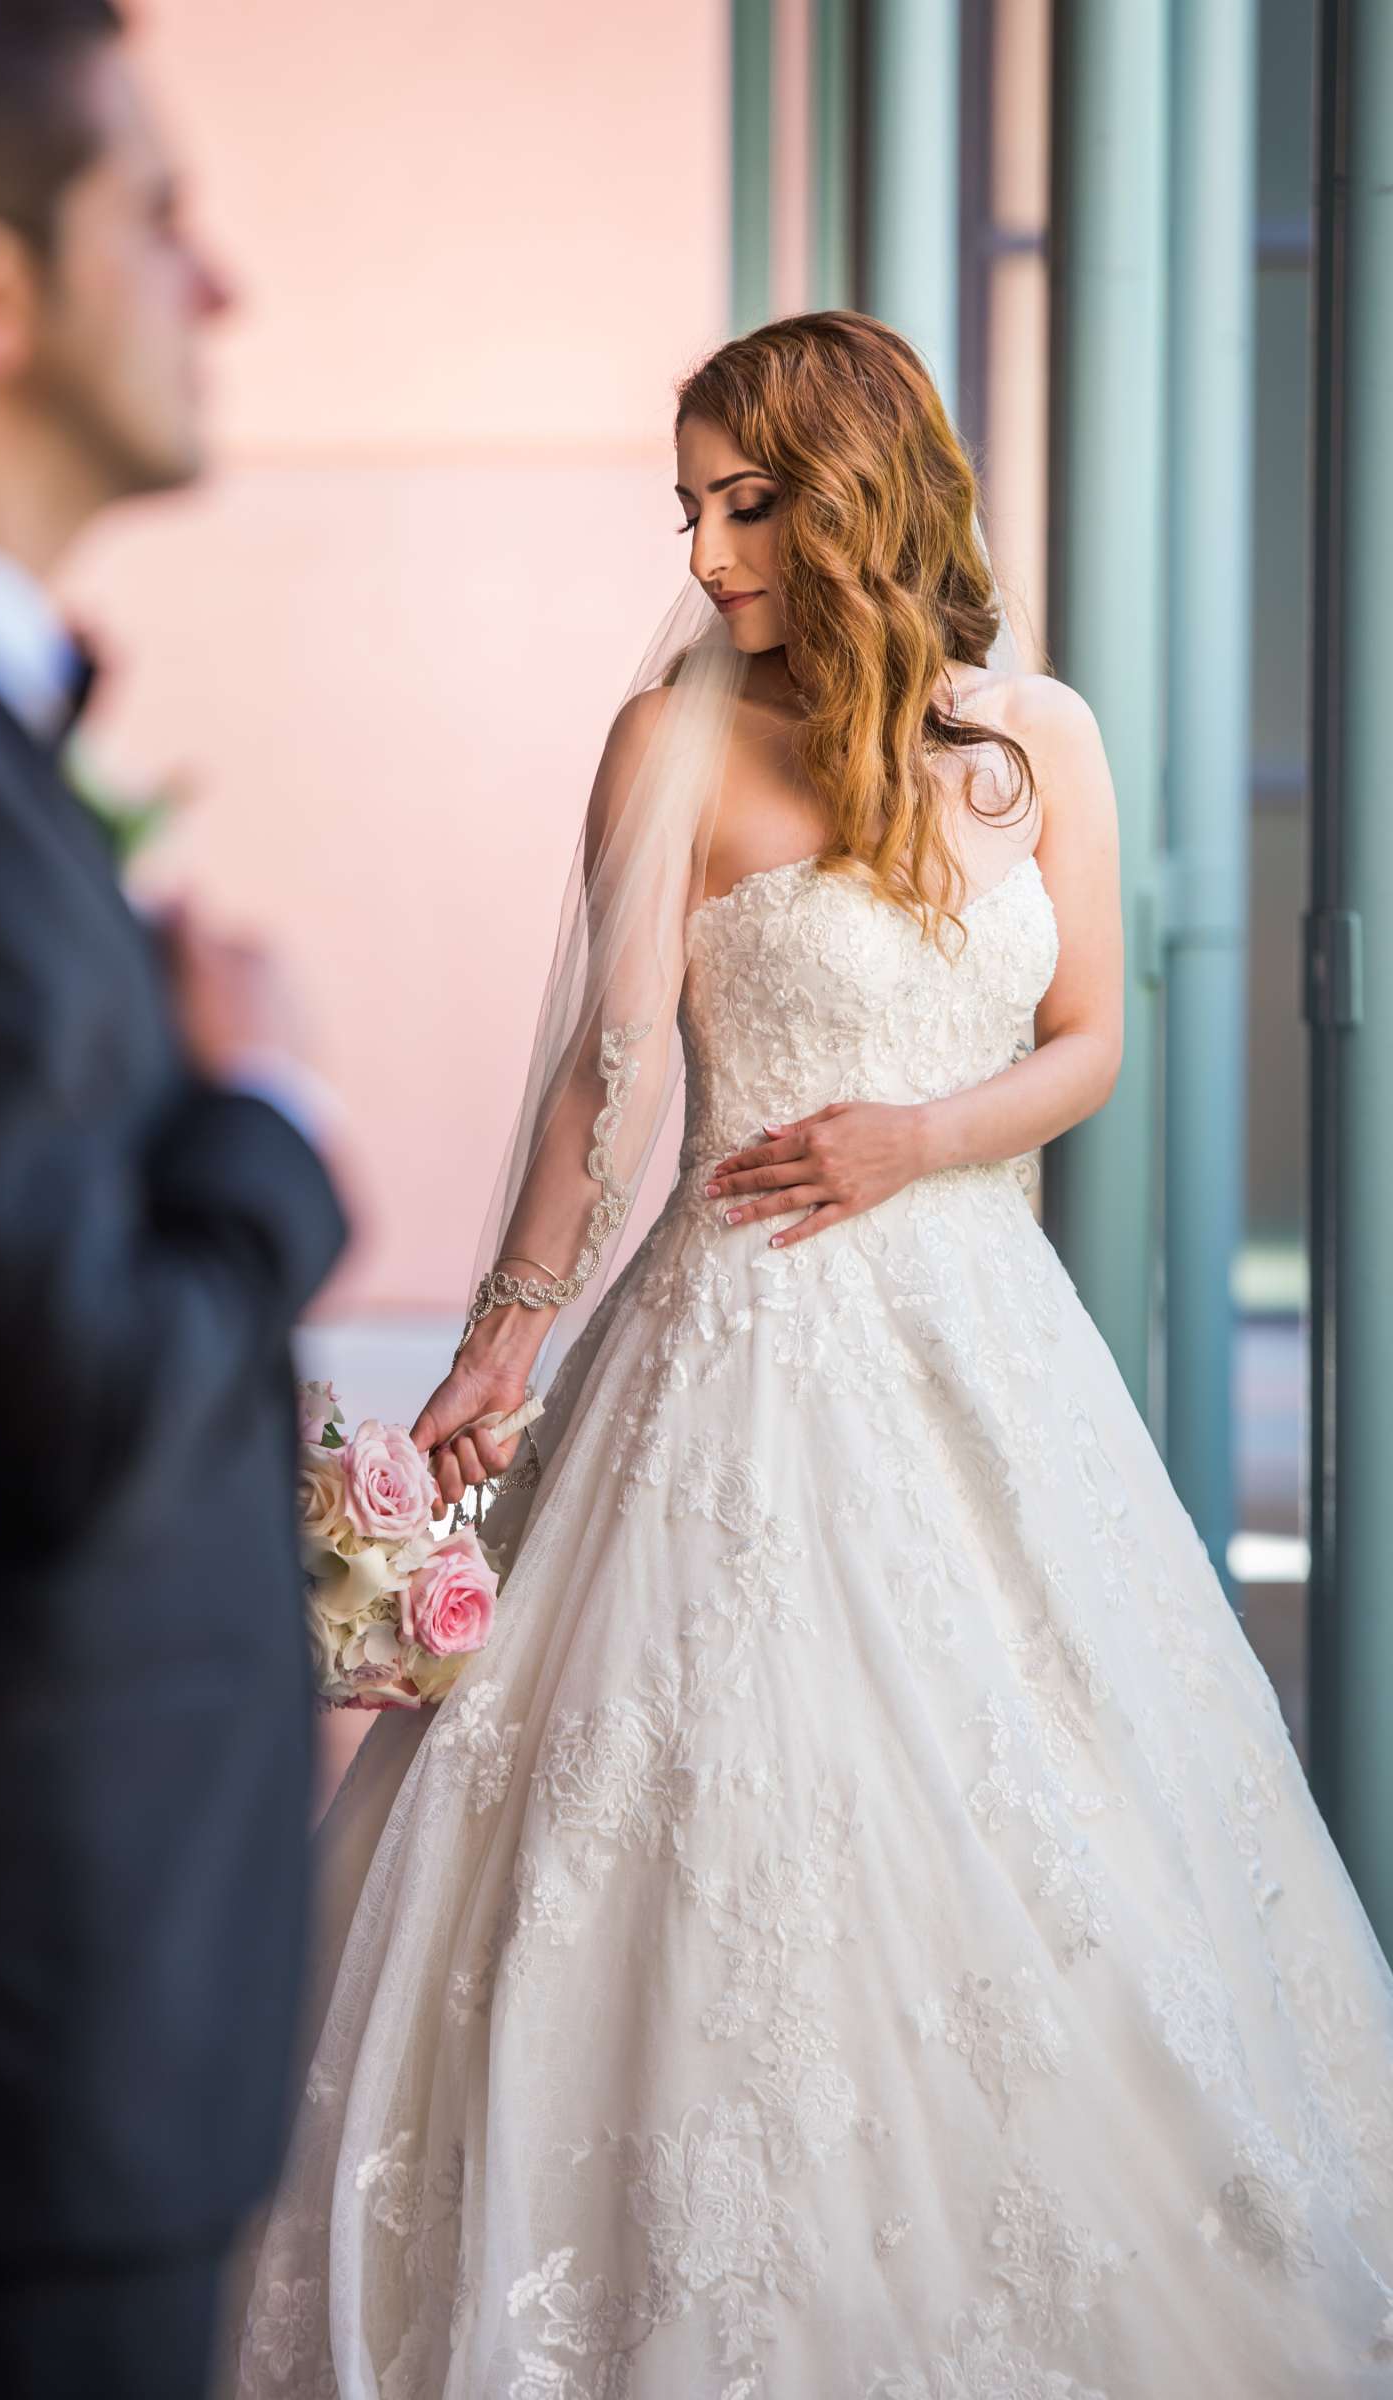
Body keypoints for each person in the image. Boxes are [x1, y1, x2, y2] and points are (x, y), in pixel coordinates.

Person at [235, 314, 1393, 2396]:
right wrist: (500, 1345)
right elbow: (601, 1092)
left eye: (741, 499)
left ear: (855, 486)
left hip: (980, 1343)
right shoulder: (664, 740)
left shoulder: (1034, 737)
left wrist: (912, 1142)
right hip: (735, 1341)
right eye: (684, 505)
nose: (701, 549)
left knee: (1043, 1811)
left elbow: (1086, 1043)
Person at [0, 5, 348, 2393]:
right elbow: (66, 1393)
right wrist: (268, 1138)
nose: (215, 288)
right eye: (154, 214)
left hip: (40, 2066)